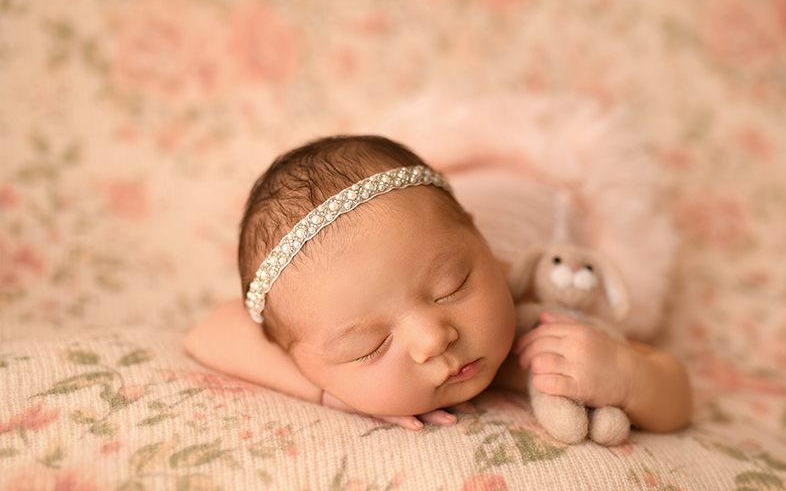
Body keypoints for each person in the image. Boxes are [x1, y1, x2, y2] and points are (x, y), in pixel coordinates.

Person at [185, 135, 691, 432]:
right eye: (368, 346)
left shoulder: (532, 309)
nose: (434, 338)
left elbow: (676, 392)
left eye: (452, 286)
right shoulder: (316, 311)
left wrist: (627, 374)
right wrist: (329, 394)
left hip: (541, 187)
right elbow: (207, 332)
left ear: (481, 242)